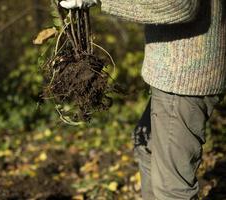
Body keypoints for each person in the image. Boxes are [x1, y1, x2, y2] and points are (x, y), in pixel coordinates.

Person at [59, 0, 226, 199]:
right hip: (182, 72)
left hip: (183, 78)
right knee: (147, 147)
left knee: (172, 189)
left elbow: (178, 5)